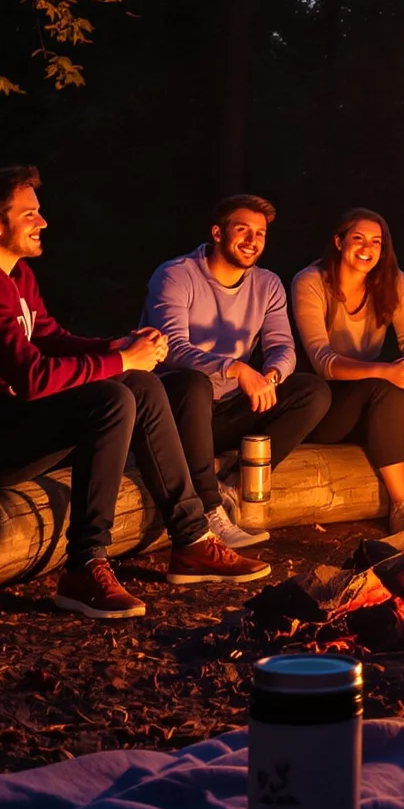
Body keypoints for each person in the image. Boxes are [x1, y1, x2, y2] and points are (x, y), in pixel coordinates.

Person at [0, 166, 269, 621]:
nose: (43, 221)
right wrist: (120, 362)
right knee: (109, 400)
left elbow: (49, 337)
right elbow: (32, 376)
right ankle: (85, 565)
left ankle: (191, 541)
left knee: (142, 384)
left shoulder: (16, 275)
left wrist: (118, 348)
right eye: (30, 213)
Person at [142, 193, 330, 548]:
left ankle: (233, 484)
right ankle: (208, 510)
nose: (252, 240)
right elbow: (172, 348)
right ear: (217, 233)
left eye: (259, 233)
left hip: (227, 410)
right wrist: (236, 368)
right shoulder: (175, 275)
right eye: (242, 230)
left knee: (312, 391)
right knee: (193, 383)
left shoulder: (268, 284)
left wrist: (271, 377)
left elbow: (282, 347)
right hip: (177, 412)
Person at [290, 208, 404, 533]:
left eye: (376, 242)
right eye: (358, 239)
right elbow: (322, 360)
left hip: (376, 406)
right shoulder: (311, 282)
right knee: (387, 384)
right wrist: (384, 370)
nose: (367, 248)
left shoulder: (392, 281)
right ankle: (402, 505)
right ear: (339, 242)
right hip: (327, 407)